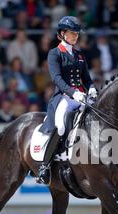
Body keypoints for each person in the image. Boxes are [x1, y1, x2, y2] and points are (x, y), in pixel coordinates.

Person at [37, 16, 97, 185]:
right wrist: (73, 93)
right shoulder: (54, 54)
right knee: (61, 126)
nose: (76, 36)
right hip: (63, 97)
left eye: (77, 34)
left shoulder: (79, 55)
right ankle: (44, 167)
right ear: (62, 34)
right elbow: (57, 79)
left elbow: (87, 78)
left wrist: (91, 88)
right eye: (72, 33)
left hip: (82, 97)